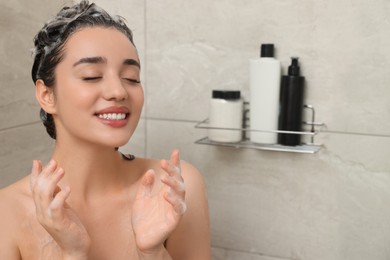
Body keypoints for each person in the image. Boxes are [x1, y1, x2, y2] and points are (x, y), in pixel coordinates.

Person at [0, 1, 211, 259]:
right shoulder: (7, 213)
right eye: (92, 76)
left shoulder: (175, 189)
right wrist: (73, 253)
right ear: (47, 95)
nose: (119, 91)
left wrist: (152, 253)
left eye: (131, 77)